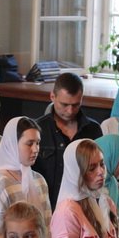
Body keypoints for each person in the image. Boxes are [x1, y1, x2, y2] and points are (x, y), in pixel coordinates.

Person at [33, 72, 103, 209]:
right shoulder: (37, 129)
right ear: (52, 97)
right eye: (64, 104)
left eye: (76, 105)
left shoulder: (93, 130)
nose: (70, 111)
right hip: (46, 208)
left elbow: (100, 172)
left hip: (83, 208)